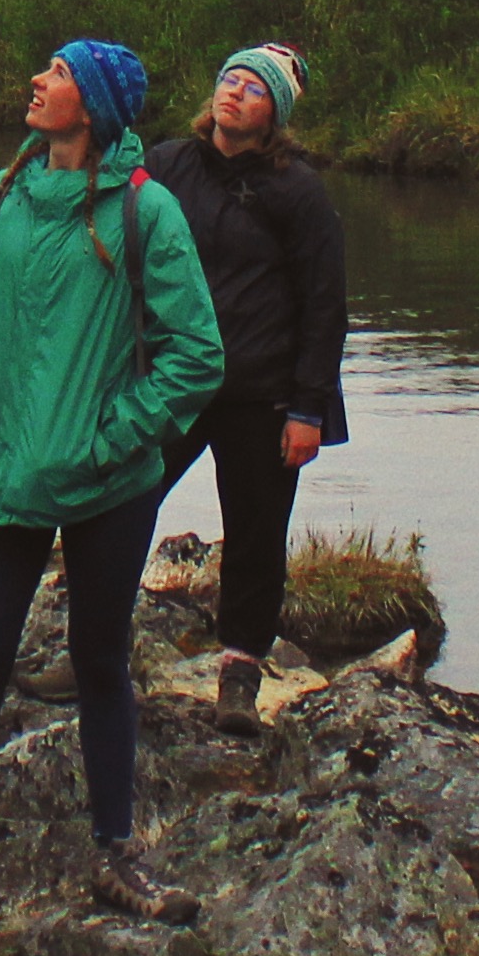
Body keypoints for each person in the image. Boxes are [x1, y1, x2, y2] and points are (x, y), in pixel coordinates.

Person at [0, 38, 226, 931]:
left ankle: (118, 855)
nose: (36, 80)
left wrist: (113, 436)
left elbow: (198, 355)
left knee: (102, 662)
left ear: (93, 106)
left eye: (57, 74)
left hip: (107, 483)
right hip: (1, 476)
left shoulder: (147, 211)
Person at [144, 43, 349, 725]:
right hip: (170, 379)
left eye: (252, 88)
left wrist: (308, 409)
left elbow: (324, 304)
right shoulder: (167, 162)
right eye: (227, 77)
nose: (233, 92)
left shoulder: (297, 191)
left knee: (257, 536)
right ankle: (90, 648)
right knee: (114, 503)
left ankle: (238, 676)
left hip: (261, 391)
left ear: (273, 115)